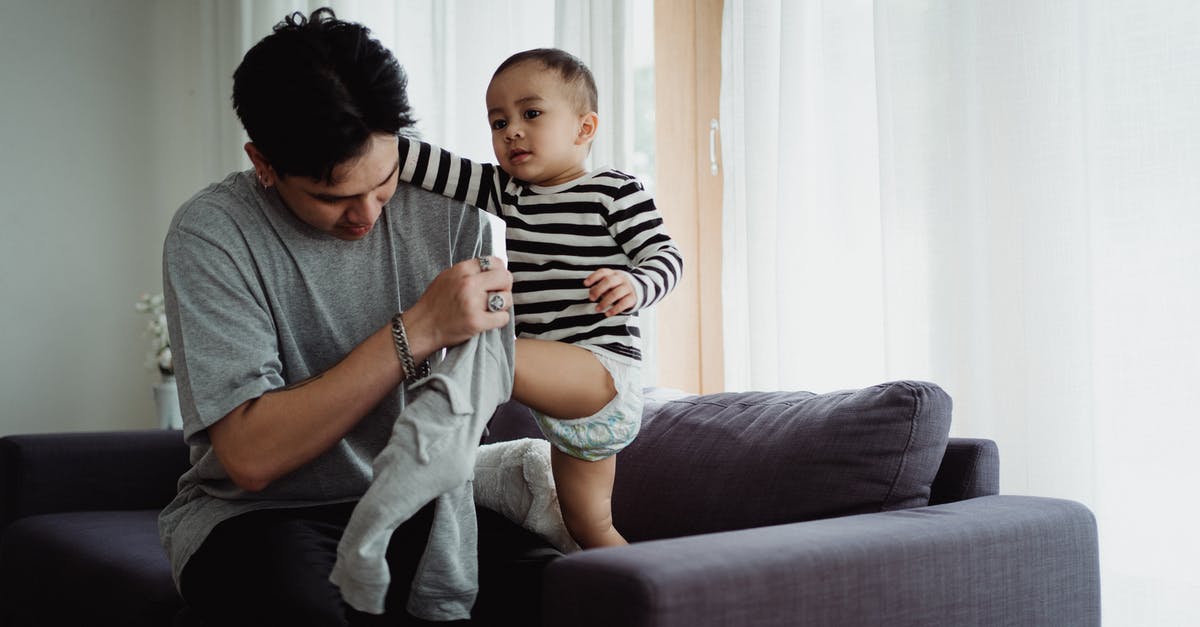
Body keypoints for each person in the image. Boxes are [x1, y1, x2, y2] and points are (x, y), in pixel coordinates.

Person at [157, 9, 554, 626]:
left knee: (558, 592)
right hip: (256, 518)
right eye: (331, 197)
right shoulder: (212, 234)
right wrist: (418, 329)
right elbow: (251, 458)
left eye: (384, 181)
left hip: (412, 500)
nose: (366, 215)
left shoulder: (453, 206)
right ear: (263, 163)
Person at [394, 48, 683, 550]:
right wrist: (365, 138)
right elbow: (431, 167)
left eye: (531, 114)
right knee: (588, 528)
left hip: (598, 371)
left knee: (485, 350)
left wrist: (636, 285)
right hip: (567, 412)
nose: (511, 131)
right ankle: (651, 599)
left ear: (584, 128)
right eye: (498, 121)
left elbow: (666, 256)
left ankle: (430, 443)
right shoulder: (509, 192)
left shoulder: (613, 192)